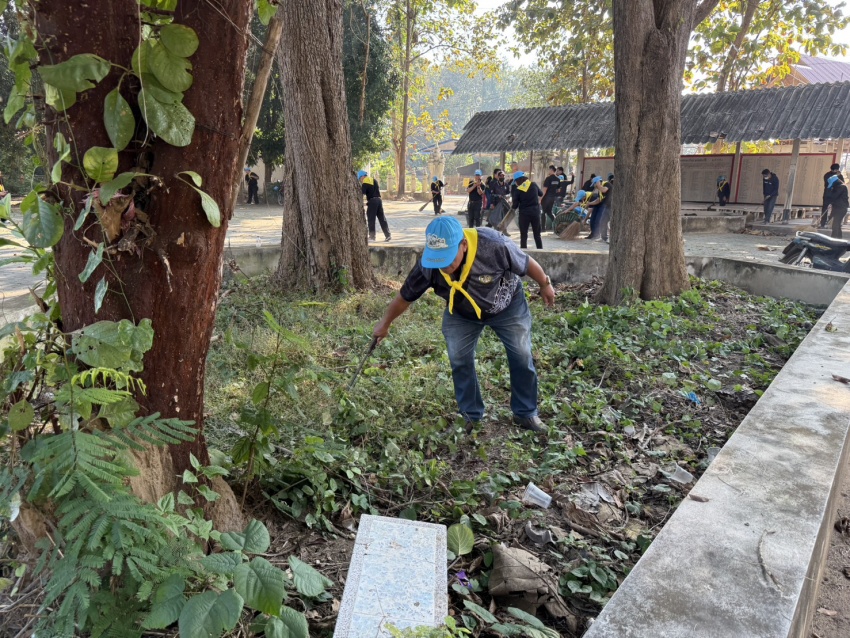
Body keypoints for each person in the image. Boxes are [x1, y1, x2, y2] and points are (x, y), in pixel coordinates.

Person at [372, 215, 555, 433]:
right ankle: (470, 415)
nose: (444, 265)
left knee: (521, 355)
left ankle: (525, 413)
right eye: (438, 259)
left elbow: (526, 263)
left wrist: (545, 284)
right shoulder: (429, 266)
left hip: (507, 306)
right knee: (459, 358)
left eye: (448, 258)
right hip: (461, 313)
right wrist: (385, 323)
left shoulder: (494, 245)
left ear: (464, 245)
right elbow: (405, 296)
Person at [510, 170, 543, 249]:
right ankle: (540, 250)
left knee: (524, 235)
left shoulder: (518, 190)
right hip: (535, 212)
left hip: (524, 214)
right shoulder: (534, 184)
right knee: (537, 234)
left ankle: (524, 251)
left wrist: (512, 207)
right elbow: (541, 194)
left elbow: (515, 205)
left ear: (517, 180)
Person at [358, 170, 391, 242]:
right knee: (382, 218)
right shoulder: (374, 180)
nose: (361, 181)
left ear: (362, 177)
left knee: (371, 219)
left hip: (372, 201)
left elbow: (362, 193)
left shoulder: (365, 183)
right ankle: (388, 235)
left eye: (360, 179)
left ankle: (372, 237)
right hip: (379, 200)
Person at [824, 174, 849, 238]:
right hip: (837, 208)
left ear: (835, 183)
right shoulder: (839, 187)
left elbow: (833, 196)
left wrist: (829, 190)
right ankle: (838, 238)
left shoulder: (841, 187)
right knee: (836, 224)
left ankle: (834, 238)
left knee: (835, 224)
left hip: (840, 208)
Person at [586, 176, 610, 241]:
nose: (595, 186)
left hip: (611, 206)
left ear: (598, 182)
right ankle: (603, 237)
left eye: (595, 184)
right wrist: (589, 203)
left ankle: (608, 237)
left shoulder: (606, 184)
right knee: (602, 221)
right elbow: (598, 200)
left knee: (607, 222)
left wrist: (598, 185)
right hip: (606, 206)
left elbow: (604, 190)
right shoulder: (600, 190)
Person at [820, 163, 845, 228]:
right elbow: (829, 182)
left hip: (836, 195)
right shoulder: (827, 175)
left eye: (835, 170)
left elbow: (842, 184)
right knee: (825, 208)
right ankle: (822, 223)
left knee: (835, 209)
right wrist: (836, 176)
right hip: (828, 194)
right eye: (833, 170)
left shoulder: (840, 176)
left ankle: (831, 223)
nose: (834, 171)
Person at [540, 165, 560, 231]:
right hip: (552, 198)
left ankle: (543, 228)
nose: (548, 171)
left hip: (546, 198)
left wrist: (540, 199)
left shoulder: (548, 179)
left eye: (548, 170)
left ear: (551, 170)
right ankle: (557, 225)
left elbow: (544, 190)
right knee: (549, 212)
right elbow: (558, 190)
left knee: (543, 212)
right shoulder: (557, 179)